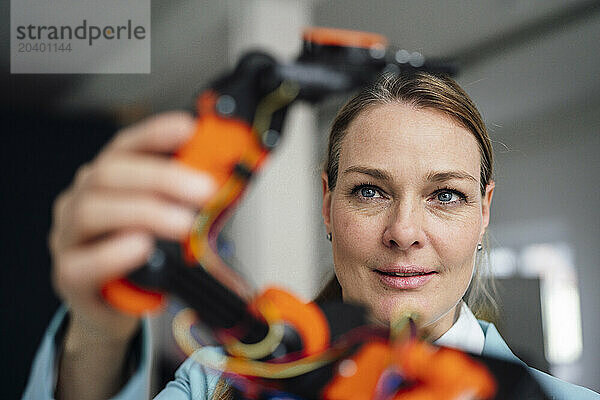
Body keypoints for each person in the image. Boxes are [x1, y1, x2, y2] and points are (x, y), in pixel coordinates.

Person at [22, 72, 599, 400]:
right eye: (369, 190)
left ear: (484, 213)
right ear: (327, 204)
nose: (403, 232)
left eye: (446, 195)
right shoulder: (219, 381)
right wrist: (97, 331)